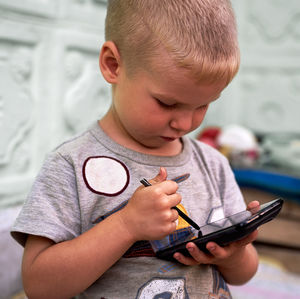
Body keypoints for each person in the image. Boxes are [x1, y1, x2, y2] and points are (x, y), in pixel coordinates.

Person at [11, 0, 259, 298]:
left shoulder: (213, 164)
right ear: (113, 65)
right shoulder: (70, 165)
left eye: (203, 105)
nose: (185, 122)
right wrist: (127, 225)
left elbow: (245, 274)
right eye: (167, 103)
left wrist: (233, 254)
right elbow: (40, 286)